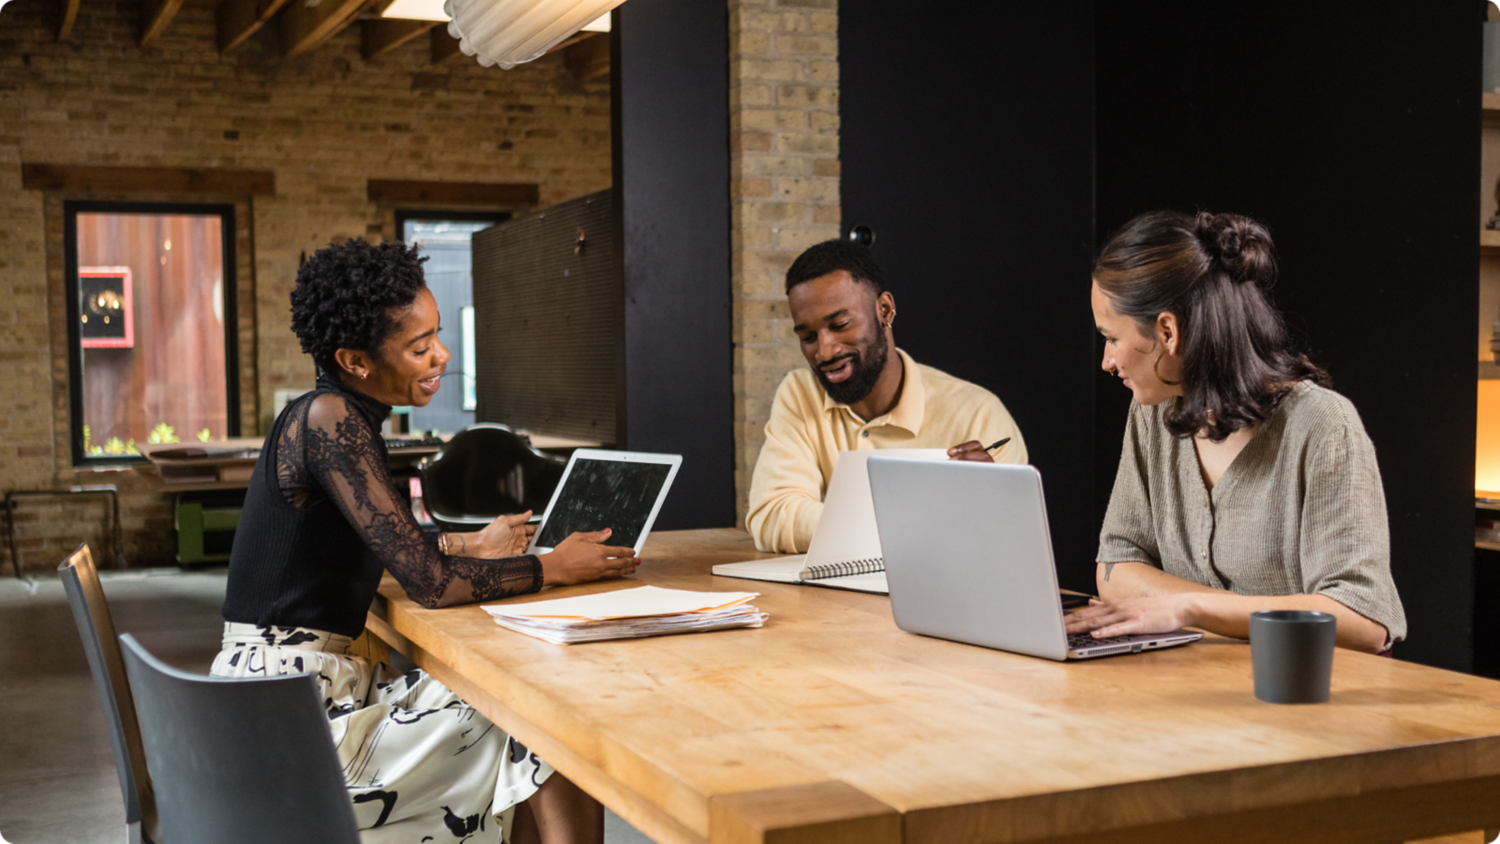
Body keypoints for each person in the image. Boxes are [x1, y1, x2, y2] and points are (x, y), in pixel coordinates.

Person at [214, 240, 637, 843]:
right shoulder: (330, 421)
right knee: (543, 715)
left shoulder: (333, 415)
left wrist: (475, 545)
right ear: (354, 359)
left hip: (284, 704)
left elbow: (383, 545)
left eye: (437, 335)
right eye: (420, 347)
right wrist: (557, 569)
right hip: (292, 729)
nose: (441, 355)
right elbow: (430, 585)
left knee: (523, 711)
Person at [1065, 210, 1405, 654]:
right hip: (1192, 694)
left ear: (1168, 331)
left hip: (1306, 707)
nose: (1107, 362)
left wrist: (1193, 609)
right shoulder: (1150, 414)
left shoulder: (1323, 425)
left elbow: (1362, 620)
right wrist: (1219, 610)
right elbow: (1115, 569)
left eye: (1111, 338)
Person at [746, 239, 1027, 553]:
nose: (824, 351)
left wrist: (992, 507)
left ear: (885, 310)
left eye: (840, 325)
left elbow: (1011, 543)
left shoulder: (979, 414)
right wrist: (926, 517)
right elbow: (772, 517)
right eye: (808, 337)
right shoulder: (801, 393)